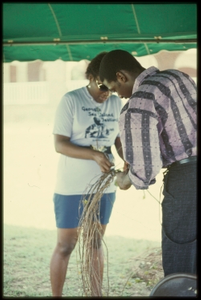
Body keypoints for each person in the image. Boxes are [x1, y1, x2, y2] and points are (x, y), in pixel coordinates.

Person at [99, 49, 197, 277]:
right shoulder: (177, 76)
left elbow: (145, 170)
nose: (119, 95)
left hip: (187, 181)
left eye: (114, 88)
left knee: (181, 261)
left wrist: (125, 179)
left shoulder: (140, 99)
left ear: (121, 76)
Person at [50, 52, 125, 297]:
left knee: (94, 243)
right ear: (91, 78)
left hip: (104, 185)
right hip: (72, 185)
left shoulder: (115, 102)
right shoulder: (71, 100)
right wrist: (93, 155)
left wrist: (127, 160)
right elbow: (60, 144)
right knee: (66, 245)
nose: (107, 92)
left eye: (112, 87)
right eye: (103, 85)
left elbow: (117, 139)